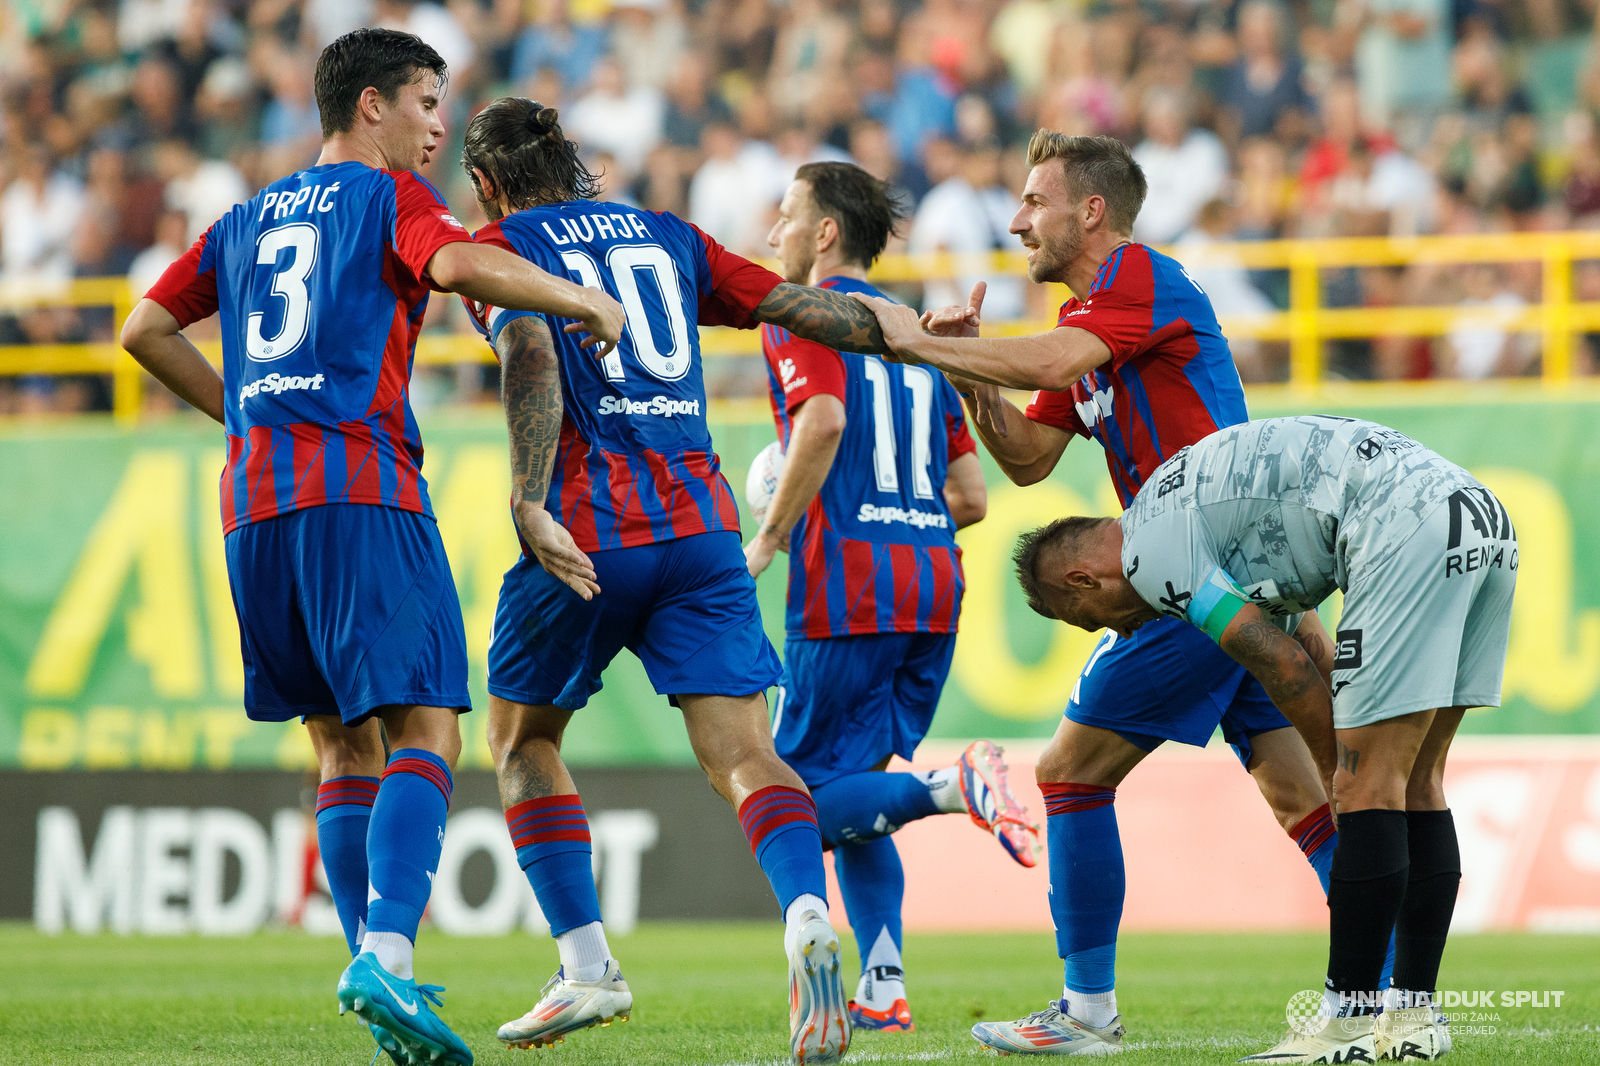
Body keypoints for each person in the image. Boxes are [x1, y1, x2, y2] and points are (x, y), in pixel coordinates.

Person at [118, 30, 625, 1066]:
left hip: (254, 506)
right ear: (370, 107)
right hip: (361, 492)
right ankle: (387, 956)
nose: (440, 124)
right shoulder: (388, 199)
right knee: (427, 728)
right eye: (428, 101)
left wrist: (245, 413)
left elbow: (140, 329)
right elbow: (455, 261)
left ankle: (368, 966)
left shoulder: (243, 219)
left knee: (340, 749)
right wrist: (577, 295)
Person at [852, 131, 1372, 1056]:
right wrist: (966, 373)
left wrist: (907, 338)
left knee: (1068, 774)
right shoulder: (1094, 322)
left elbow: (1050, 365)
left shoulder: (1137, 277)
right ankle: (1385, 1000)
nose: (1016, 223)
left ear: (1089, 211)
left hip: (1203, 571)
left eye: (1032, 202)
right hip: (1222, 572)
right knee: (1309, 801)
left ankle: (1088, 1012)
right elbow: (1026, 459)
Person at [456, 97, 896, 1064]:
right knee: (746, 754)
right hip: (700, 529)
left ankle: (586, 969)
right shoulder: (668, 235)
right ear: (569, 159)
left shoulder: (500, 247)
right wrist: (887, 329)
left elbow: (530, 347)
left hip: (588, 525)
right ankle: (807, 913)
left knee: (520, 738)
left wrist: (530, 498)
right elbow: (791, 302)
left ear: (486, 183)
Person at [1012, 415, 1512, 1064]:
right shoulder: (1195, 511)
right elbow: (1309, 649)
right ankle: (1413, 1017)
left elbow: (1284, 666)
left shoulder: (1152, 553)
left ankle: (1347, 1025)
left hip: (1402, 529)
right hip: (1480, 518)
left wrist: (1341, 777)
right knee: (1419, 783)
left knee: (1369, 786)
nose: (1123, 632)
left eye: (1090, 623)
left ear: (1082, 581)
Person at [755, 161, 1036, 1033]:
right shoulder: (915, 335)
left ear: (825, 233)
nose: (774, 234)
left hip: (848, 585)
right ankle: (882, 979)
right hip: (932, 579)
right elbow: (972, 498)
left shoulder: (806, 316)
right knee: (861, 786)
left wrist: (769, 533)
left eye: (787, 215)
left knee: (788, 797)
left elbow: (825, 422)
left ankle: (955, 786)